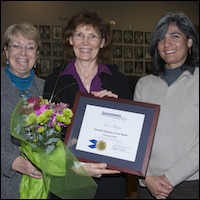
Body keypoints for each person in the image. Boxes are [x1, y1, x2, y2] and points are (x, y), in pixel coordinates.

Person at [43, 10, 131, 199]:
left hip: (109, 178)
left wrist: (119, 108)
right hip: (68, 178)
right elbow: (47, 136)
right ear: (70, 40)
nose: (85, 42)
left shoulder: (119, 80)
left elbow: (128, 135)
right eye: (79, 35)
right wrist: (75, 167)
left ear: (102, 41)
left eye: (93, 36)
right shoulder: (54, 81)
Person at [133, 12, 199, 199]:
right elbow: (135, 139)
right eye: (161, 39)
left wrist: (169, 178)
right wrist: (146, 178)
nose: (167, 43)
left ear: (189, 42)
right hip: (148, 185)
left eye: (175, 36)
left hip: (190, 187)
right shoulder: (144, 85)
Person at [1, 22, 45, 199]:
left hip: (42, 186)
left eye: (30, 47)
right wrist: (12, 162)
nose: (23, 53)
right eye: (16, 46)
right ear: (6, 51)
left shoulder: (47, 89)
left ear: (37, 54)